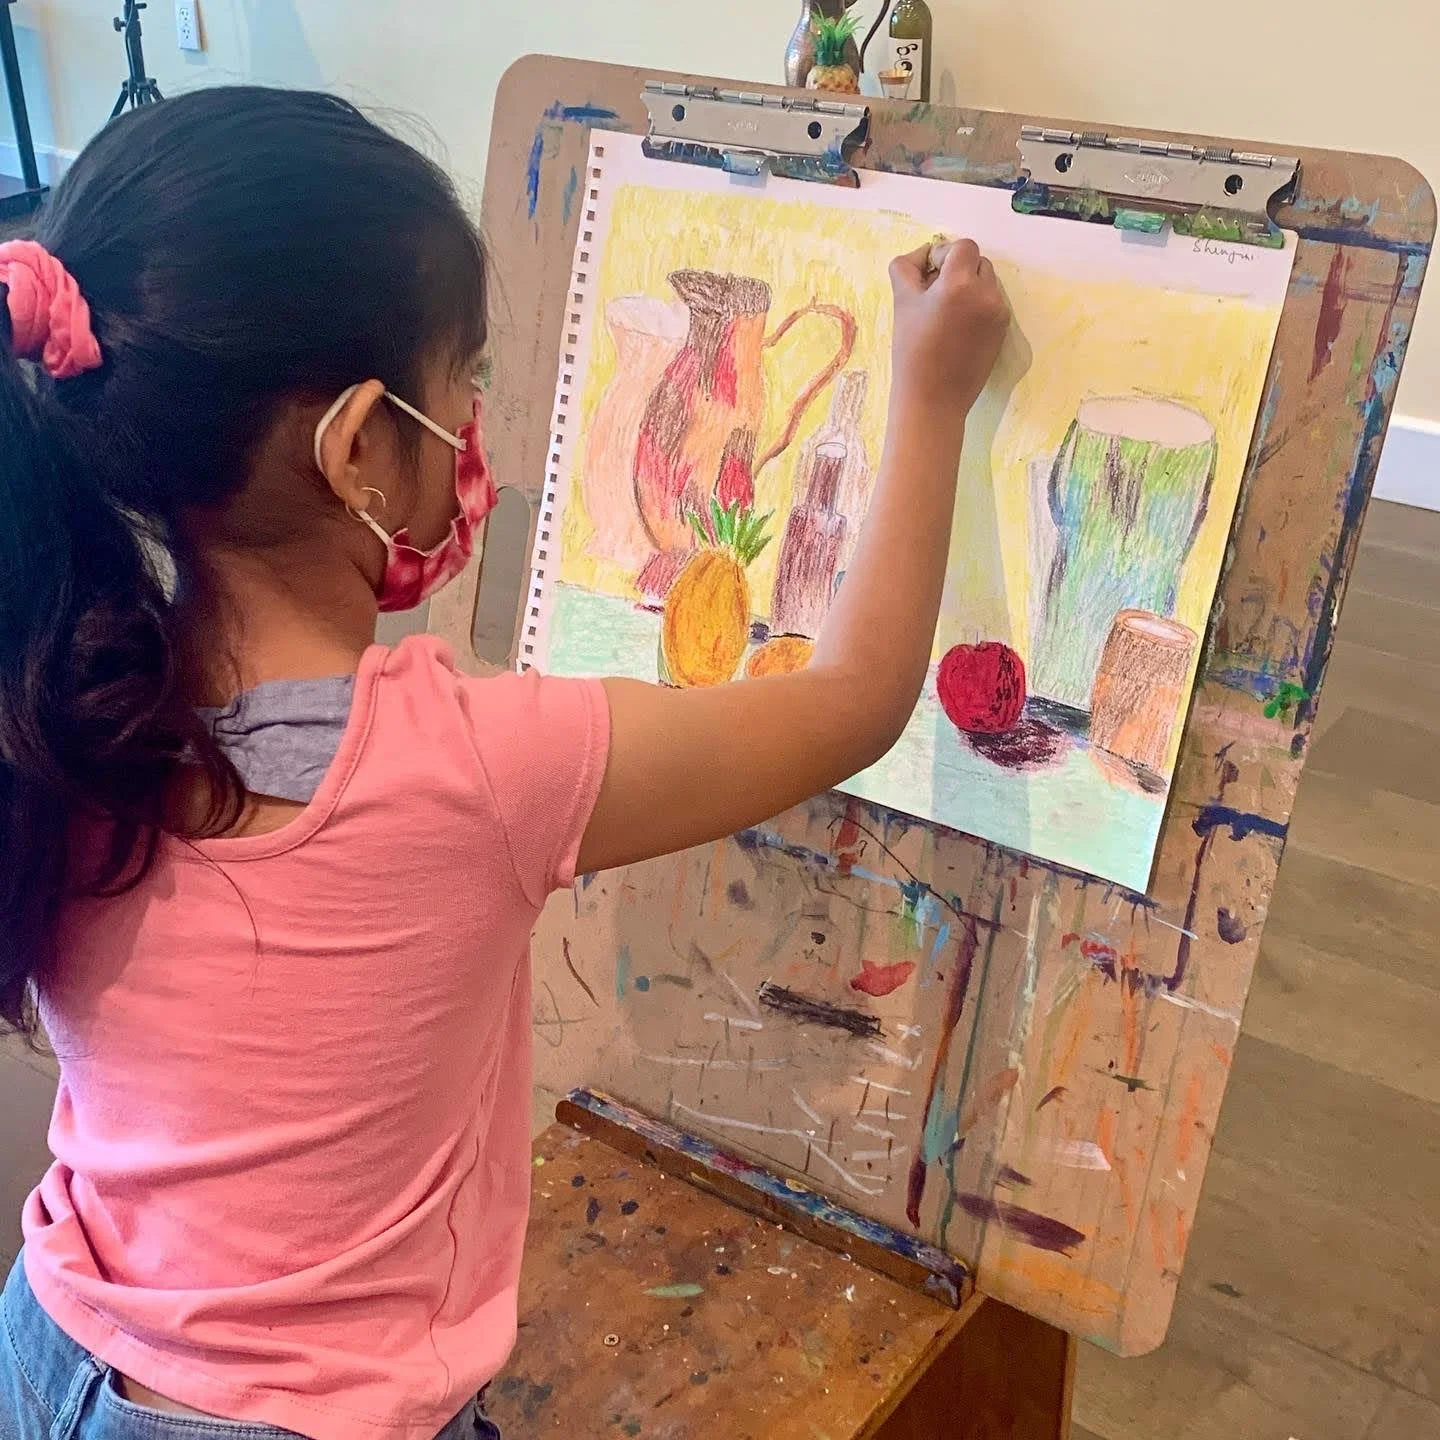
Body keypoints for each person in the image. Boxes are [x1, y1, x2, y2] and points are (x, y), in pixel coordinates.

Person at [0, 87, 1008, 1440]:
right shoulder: (474, 770)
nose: (478, 423)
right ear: (359, 445)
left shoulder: (58, 702)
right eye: (465, 378)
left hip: (53, 1351)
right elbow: (856, 698)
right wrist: (932, 395)